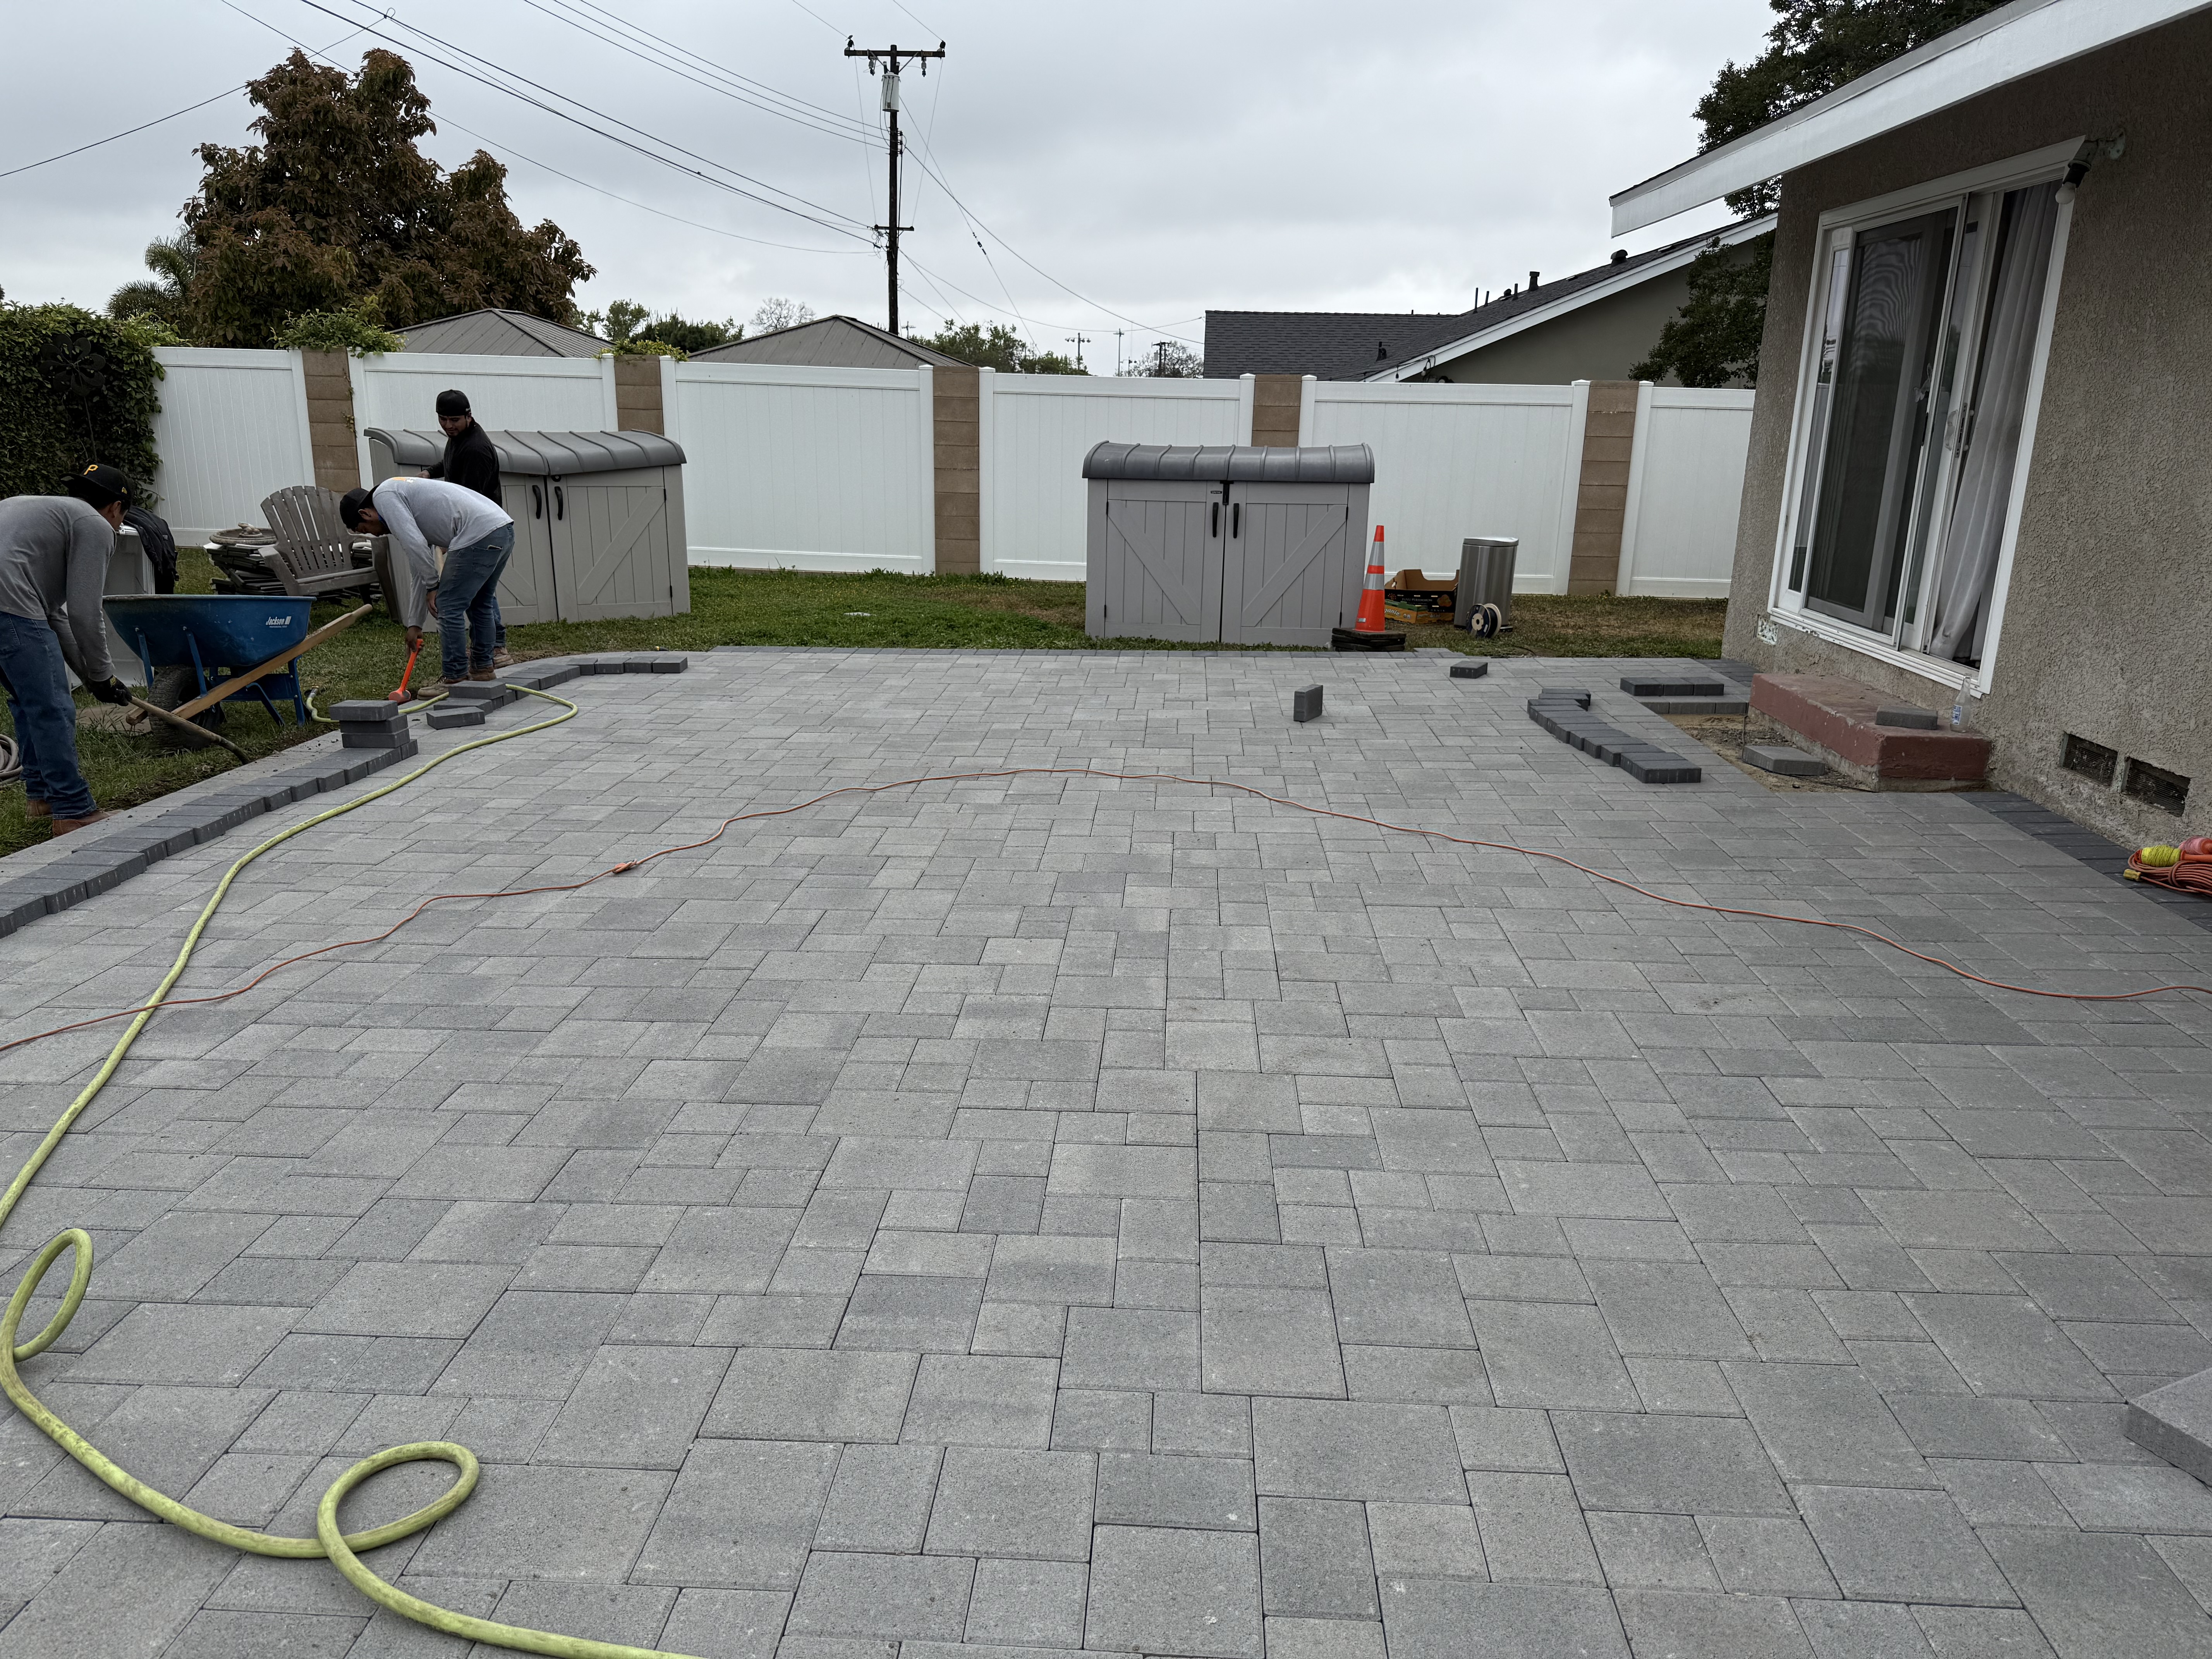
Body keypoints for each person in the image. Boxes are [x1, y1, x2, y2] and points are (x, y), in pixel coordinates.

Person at [0, 464, 137, 835]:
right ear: (115, 509)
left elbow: (55, 615)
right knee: (52, 707)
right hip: (9, 606)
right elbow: (84, 611)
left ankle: (42, 796)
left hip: (10, 605)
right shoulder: (94, 524)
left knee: (29, 702)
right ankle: (73, 808)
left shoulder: (39, 510)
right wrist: (103, 672)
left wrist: (96, 678)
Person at [338, 477, 513, 697]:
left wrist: (434, 587)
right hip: (502, 529)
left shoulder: (385, 497)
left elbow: (416, 546)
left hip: (477, 533)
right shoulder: (404, 497)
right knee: (481, 602)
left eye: (365, 529)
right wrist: (415, 624)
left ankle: (455, 676)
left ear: (365, 514)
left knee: (448, 605)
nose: (374, 534)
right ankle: (482, 670)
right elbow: (418, 565)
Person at [425, 389, 512, 668]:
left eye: (454, 420)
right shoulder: (459, 438)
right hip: (477, 528)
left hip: (479, 529)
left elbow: (468, 498)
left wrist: (450, 537)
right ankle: (494, 650)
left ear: (468, 416)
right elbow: (450, 462)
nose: (448, 426)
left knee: (475, 596)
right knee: (482, 593)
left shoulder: (476, 449)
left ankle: (493, 651)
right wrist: (430, 472)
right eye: (443, 420)